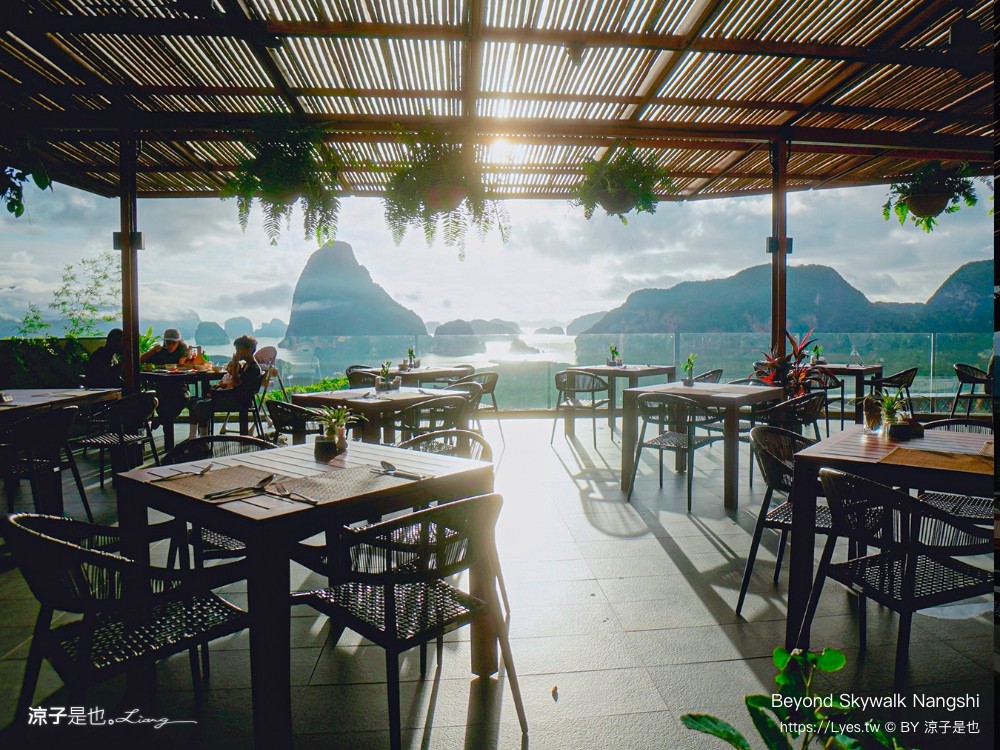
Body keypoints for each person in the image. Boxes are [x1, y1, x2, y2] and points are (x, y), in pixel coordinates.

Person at [189, 335, 264, 437]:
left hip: (239, 401)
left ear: (249, 349)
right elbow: (237, 383)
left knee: (201, 405)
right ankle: (193, 437)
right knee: (193, 403)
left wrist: (235, 364)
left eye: (239, 350)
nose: (237, 353)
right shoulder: (247, 365)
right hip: (237, 398)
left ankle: (203, 439)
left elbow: (236, 383)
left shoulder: (253, 368)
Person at [140, 328, 191, 428]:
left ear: (178, 342)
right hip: (161, 386)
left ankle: (160, 420)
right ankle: (163, 421)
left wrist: (185, 355)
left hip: (178, 386)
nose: (170, 345)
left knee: (182, 398)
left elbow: (183, 364)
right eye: (168, 342)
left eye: (173, 343)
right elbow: (141, 360)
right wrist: (153, 351)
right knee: (164, 403)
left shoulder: (182, 350)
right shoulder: (160, 351)